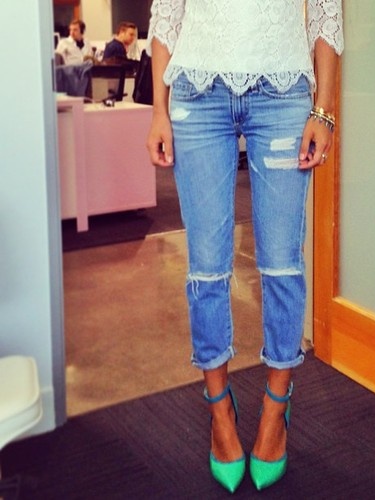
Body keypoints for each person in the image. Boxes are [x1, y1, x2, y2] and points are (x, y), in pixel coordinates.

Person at [146, 0, 344, 493]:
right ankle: (220, 409)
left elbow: (327, 10)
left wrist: (324, 111)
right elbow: (167, 12)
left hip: (283, 91)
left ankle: (277, 407)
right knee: (206, 269)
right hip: (195, 93)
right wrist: (158, 110)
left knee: (282, 264)